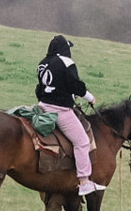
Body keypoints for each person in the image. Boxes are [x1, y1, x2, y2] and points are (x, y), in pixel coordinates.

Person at [35, 34, 102, 194]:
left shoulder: (42, 63)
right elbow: (76, 85)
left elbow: (46, 86)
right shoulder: (66, 62)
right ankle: (84, 181)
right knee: (82, 142)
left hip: (42, 105)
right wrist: (90, 98)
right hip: (59, 110)